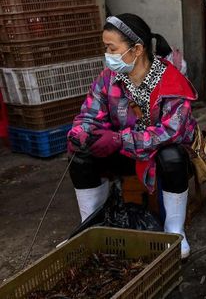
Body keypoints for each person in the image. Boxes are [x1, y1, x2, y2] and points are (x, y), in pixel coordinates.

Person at [67, 14, 197, 258]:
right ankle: (92, 226)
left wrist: (119, 140)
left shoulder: (171, 81)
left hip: (158, 154)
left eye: (111, 48)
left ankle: (175, 232)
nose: (107, 55)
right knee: (81, 155)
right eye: (106, 48)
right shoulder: (108, 79)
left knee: (173, 157)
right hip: (125, 151)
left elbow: (170, 132)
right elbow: (89, 115)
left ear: (137, 49)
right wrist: (81, 134)